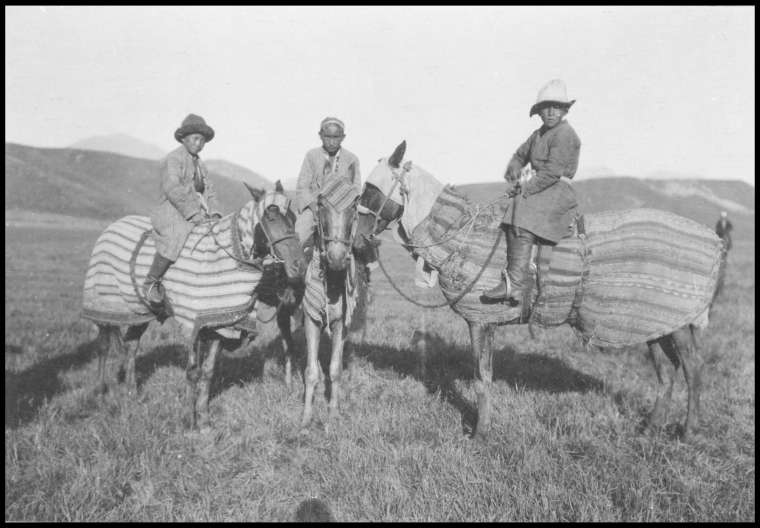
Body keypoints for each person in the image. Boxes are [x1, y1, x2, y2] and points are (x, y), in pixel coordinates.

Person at [482, 79, 581, 306]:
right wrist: (514, 171)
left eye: (556, 106)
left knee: (521, 211)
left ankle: (515, 284)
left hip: (558, 189)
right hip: (542, 186)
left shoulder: (565, 134)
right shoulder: (538, 135)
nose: (551, 112)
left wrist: (525, 188)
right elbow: (519, 155)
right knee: (513, 207)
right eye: (546, 107)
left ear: (565, 110)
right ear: (539, 112)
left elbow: (552, 172)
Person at [144, 113, 222, 311]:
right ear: (184, 138)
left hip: (195, 211)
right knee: (176, 235)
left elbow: (209, 191)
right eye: (195, 139)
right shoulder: (174, 159)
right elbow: (173, 189)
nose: (199, 144)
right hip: (171, 210)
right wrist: (193, 213)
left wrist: (215, 214)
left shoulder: (200, 165)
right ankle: (152, 281)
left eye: (202, 140)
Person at [294, 117, 361, 255]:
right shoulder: (311, 156)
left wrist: (346, 205)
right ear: (320, 136)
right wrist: (313, 207)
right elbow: (302, 186)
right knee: (300, 231)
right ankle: (295, 268)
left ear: (343, 137)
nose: (331, 141)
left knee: (361, 238)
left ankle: (361, 269)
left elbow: (356, 187)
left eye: (336, 137)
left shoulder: (351, 159)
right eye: (327, 137)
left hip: (343, 208)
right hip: (316, 206)